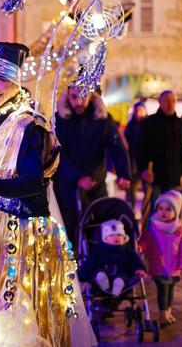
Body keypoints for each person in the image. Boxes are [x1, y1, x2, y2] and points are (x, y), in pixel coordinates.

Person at [0, 42, 95, 346]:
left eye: (1, 79)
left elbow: (32, 183)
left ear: (16, 81)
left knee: (19, 315)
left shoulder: (29, 125)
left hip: (22, 237)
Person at [54, 85, 130, 247]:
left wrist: (124, 174)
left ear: (91, 96)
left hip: (96, 184)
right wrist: (77, 178)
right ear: (68, 96)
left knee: (98, 229)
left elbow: (116, 146)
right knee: (69, 233)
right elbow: (58, 152)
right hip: (68, 187)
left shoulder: (101, 119)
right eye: (74, 97)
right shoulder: (60, 120)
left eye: (83, 96)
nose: (79, 101)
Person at [139, 190, 182, 327]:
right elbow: (145, 241)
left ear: (176, 212)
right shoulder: (152, 227)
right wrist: (140, 247)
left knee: (170, 290)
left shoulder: (179, 230)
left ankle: (168, 311)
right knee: (162, 290)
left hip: (174, 268)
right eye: (160, 208)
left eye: (168, 209)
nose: (163, 212)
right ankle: (163, 314)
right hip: (158, 267)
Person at [137, 90, 182, 217]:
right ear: (160, 102)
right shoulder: (149, 123)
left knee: (172, 211)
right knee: (154, 211)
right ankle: (152, 236)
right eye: (167, 100)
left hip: (173, 176)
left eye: (173, 100)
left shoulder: (179, 123)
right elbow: (140, 150)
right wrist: (143, 169)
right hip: (154, 176)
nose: (170, 104)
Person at [77, 218, 146, 297]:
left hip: (121, 271)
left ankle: (117, 287)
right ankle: (103, 282)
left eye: (119, 235)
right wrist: (83, 274)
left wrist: (139, 269)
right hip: (103, 270)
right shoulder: (99, 249)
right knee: (98, 272)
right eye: (112, 235)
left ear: (124, 238)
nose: (116, 237)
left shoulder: (128, 250)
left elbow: (135, 261)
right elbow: (90, 262)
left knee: (121, 277)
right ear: (105, 239)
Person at [124, 102, 147, 210]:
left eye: (141, 110)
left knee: (147, 189)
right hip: (133, 162)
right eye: (137, 110)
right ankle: (131, 209)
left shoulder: (148, 125)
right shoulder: (131, 126)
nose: (139, 113)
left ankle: (145, 212)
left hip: (146, 163)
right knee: (131, 187)